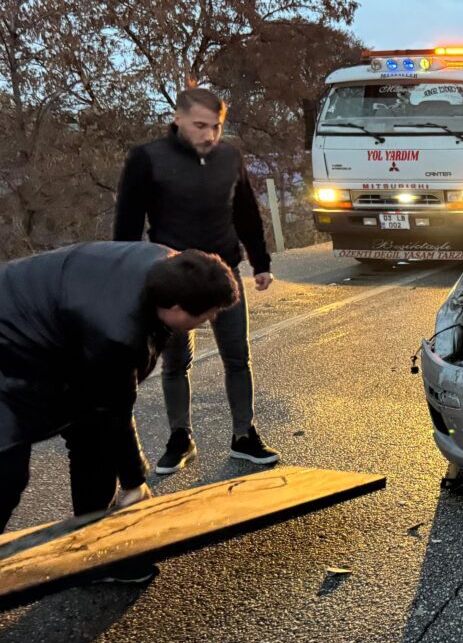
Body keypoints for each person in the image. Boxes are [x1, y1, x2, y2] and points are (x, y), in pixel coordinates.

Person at [0, 243, 240, 538]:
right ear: (176, 308)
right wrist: (133, 482)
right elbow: (115, 408)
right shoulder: (117, 332)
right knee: (7, 473)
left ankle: (94, 541)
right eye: (207, 314)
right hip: (11, 338)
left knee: (93, 437)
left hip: (53, 335)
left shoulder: (167, 267)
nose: (210, 320)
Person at [114, 87, 280, 473]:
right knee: (175, 362)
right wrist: (124, 276)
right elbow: (127, 223)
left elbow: (246, 212)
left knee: (237, 356)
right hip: (173, 278)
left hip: (224, 276)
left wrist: (260, 262)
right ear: (178, 120)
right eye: (200, 126)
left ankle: (244, 435)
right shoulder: (147, 158)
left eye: (216, 127)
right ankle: (180, 437)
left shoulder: (229, 157)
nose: (209, 135)